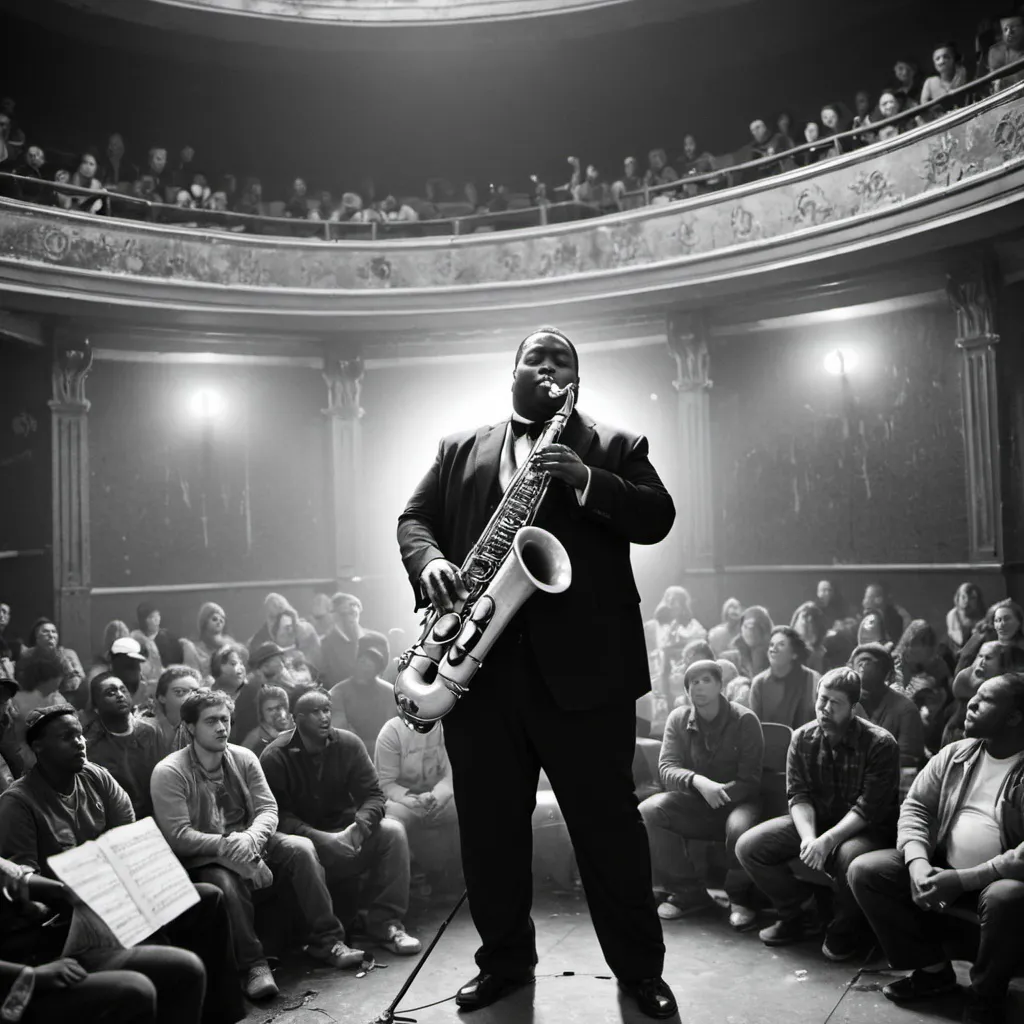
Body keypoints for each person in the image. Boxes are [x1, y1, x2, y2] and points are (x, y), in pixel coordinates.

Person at [397, 325, 677, 1018]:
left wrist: (589, 480)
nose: (548, 366)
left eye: (563, 359)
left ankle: (640, 972)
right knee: (490, 833)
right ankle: (504, 965)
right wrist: (429, 560)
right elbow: (414, 519)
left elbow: (657, 516)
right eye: (536, 356)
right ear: (513, 371)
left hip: (588, 679)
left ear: (575, 378)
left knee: (609, 832)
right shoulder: (459, 447)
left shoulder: (616, 444)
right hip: (479, 671)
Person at [0, 704, 244, 1024]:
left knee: (208, 897)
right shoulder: (19, 802)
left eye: (79, 734)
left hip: (120, 893)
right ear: (38, 747)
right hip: (73, 917)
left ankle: (222, 1012)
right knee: (168, 957)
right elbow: (23, 878)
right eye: (66, 737)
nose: (79, 742)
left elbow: (129, 839)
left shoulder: (95, 776)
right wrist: (71, 890)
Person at [150, 689, 358, 1000]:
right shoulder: (170, 772)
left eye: (225, 719)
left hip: (250, 840)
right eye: (211, 721)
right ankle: (252, 965)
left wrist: (249, 839)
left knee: (300, 849)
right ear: (191, 727)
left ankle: (326, 941)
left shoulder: (243, 758)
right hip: (206, 854)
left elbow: (268, 809)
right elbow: (179, 836)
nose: (222, 727)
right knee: (224, 881)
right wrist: (228, 847)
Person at [849, 674, 1024, 1024]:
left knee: (1007, 897)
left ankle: (986, 996)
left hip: (997, 882)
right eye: (974, 695)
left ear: (1014, 717)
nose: (971, 702)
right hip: (943, 870)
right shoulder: (957, 753)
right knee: (866, 870)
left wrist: (963, 879)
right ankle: (933, 973)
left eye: (985, 699)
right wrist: (917, 864)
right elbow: (917, 808)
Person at [735, 668, 900, 961]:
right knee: (750, 847)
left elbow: (868, 808)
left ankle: (845, 928)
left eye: (835, 703)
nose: (825, 709)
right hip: (818, 821)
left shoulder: (880, 743)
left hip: (866, 828)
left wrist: (827, 841)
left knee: (848, 858)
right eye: (822, 699)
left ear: (853, 707)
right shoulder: (802, 738)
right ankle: (797, 912)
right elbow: (798, 795)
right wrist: (810, 838)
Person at [260, 689, 421, 955]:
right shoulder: (275, 756)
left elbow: (373, 795)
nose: (324, 717)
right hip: (306, 843)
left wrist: (361, 824)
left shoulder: (349, 744)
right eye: (315, 712)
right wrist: (320, 837)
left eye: (327, 709)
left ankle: (386, 924)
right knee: (303, 848)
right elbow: (276, 816)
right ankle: (328, 941)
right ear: (296, 718)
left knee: (393, 830)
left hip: (347, 834)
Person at [639, 660, 764, 931]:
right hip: (698, 801)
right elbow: (667, 768)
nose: (699, 686)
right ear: (687, 691)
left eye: (706, 680)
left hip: (740, 802)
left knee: (739, 826)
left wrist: (720, 793)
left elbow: (750, 780)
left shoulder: (744, 720)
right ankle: (689, 892)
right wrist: (698, 782)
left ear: (720, 685)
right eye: (693, 682)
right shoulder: (678, 719)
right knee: (649, 811)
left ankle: (739, 899)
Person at [374, 713, 462, 892]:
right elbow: (384, 782)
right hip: (404, 801)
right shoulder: (392, 732)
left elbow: (452, 773)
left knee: (474, 806)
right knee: (392, 820)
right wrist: (408, 798)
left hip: (440, 799)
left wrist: (437, 796)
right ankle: (413, 875)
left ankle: (461, 877)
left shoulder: (446, 728)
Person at [82, 673, 164, 816]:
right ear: (96, 707)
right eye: (110, 692)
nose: (119, 695)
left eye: (123, 690)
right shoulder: (90, 746)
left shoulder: (150, 732)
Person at [850, 643, 926, 769]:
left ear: (885, 671)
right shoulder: (844, 704)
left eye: (869, 661)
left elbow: (907, 760)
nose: (863, 665)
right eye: (859, 662)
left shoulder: (906, 709)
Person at [327, 632, 395, 754]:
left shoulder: (391, 694)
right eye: (364, 657)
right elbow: (340, 739)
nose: (367, 663)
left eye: (374, 659)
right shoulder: (337, 694)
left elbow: (393, 740)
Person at [748, 626, 819, 729]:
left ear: (794, 654)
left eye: (781, 644)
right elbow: (755, 725)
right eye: (771, 645)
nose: (773, 649)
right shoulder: (759, 683)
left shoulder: (812, 679)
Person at [16, 620, 84, 701]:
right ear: (37, 638)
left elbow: (76, 680)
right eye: (45, 632)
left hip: (61, 698)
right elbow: (20, 681)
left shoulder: (66, 655)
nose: (51, 635)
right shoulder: (27, 655)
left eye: (54, 632)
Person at [145, 666, 201, 755]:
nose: (190, 697)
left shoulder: (204, 727)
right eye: (179, 692)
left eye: (195, 692)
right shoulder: (147, 731)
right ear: (162, 697)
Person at [321, 593, 366, 685]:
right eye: (346, 614)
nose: (352, 619)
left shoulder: (372, 640)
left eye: (355, 614)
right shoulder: (324, 645)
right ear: (334, 615)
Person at [180, 603, 233, 678]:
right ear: (204, 622)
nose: (218, 622)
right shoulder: (192, 648)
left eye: (221, 621)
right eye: (214, 619)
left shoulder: (229, 646)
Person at [721, 606, 773, 680]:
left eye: (754, 626)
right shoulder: (730, 658)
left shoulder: (776, 656)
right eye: (746, 626)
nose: (750, 630)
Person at [918, 42, 969, 117]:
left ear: (954, 59)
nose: (942, 61)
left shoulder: (963, 75)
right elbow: (924, 108)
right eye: (937, 59)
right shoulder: (930, 82)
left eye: (946, 57)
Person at [240, 685, 291, 757]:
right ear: (262, 713)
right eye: (270, 710)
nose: (276, 713)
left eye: (279, 708)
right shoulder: (254, 739)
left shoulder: (296, 730)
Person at [132, 602, 184, 669]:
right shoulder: (136, 639)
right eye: (151, 617)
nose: (156, 620)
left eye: (158, 615)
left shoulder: (169, 638)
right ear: (143, 621)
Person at [945, 583, 986, 656]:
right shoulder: (953, 615)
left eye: (972, 598)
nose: (967, 601)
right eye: (963, 597)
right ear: (958, 598)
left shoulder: (983, 617)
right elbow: (957, 639)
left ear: (978, 600)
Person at [989, 12, 1024, 92]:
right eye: (1005, 29)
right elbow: (998, 84)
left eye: (1014, 27)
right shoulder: (996, 52)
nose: (1009, 33)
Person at [791, 601, 828, 673]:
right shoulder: (787, 650)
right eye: (805, 616)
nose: (809, 620)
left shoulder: (824, 654)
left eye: (814, 618)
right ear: (795, 621)